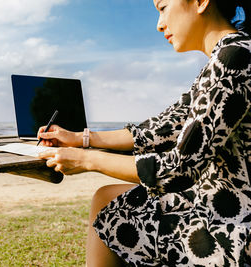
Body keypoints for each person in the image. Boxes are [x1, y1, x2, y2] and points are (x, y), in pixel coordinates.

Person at [37, 0, 251, 265]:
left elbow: (179, 169)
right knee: (106, 197)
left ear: (200, 2)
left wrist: (86, 160)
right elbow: (162, 127)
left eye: (163, 7)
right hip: (220, 204)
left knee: (111, 208)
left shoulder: (234, 58)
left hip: (233, 224)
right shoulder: (230, 54)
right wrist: (82, 138)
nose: (159, 24)